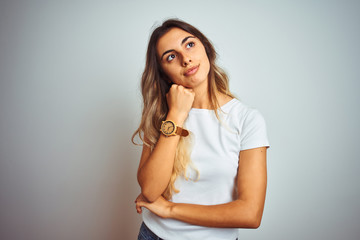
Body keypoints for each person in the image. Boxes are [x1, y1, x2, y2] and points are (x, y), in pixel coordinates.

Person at [132, 18, 270, 240]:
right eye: (171, 56)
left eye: (189, 44)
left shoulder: (247, 119)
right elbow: (149, 190)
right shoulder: (161, 115)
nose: (185, 59)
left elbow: (250, 213)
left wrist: (170, 210)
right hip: (153, 235)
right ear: (164, 73)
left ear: (206, 48)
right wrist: (176, 115)